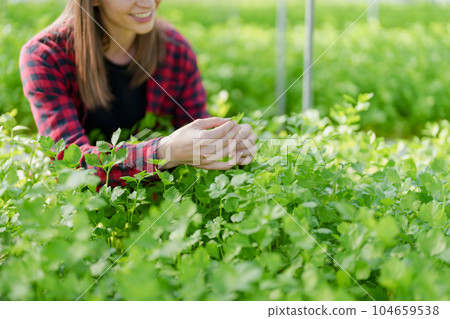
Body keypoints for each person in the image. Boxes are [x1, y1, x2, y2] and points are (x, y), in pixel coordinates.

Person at [19, 0, 257, 187]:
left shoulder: (175, 50)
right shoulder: (45, 56)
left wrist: (227, 143)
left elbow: (195, 128)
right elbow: (69, 165)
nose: (148, 3)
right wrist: (163, 152)